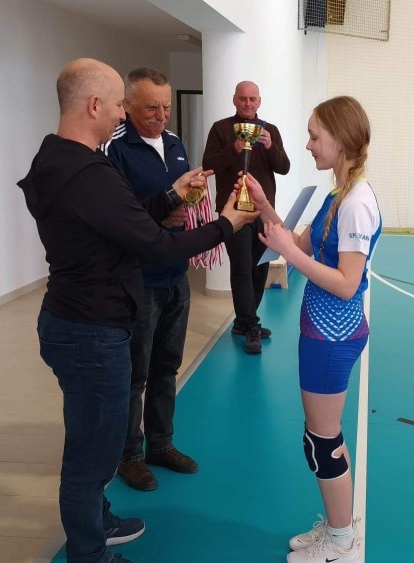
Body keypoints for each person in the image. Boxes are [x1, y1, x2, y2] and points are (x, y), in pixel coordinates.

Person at [17, 58, 257, 563]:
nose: (121, 114)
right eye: (118, 105)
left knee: (95, 440)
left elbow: (121, 223)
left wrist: (170, 196)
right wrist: (227, 224)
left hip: (73, 318)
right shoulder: (89, 172)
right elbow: (156, 244)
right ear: (95, 105)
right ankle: (89, 553)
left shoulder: (56, 157)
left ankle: (99, 519)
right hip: (90, 330)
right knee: (92, 455)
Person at [247, 95, 380, 563]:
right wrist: (265, 206)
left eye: (314, 136)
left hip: (334, 336)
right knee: (321, 436)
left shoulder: (356, 204)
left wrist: (290, 253)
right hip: (321, 332)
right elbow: (296, 242)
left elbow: (346, 284)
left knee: (322, 440)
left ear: (340, 140)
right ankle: (339, 526)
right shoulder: (336, 195)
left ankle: (341, 542)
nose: (307, 145)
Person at [102, 68, 199, 491]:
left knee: (167, 367)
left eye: (166, 107)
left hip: (176, 274)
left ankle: (161, 444)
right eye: (150, 108)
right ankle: (129, 455)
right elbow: (118, 217)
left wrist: (189, 198)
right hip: (138, 280)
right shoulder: (114, 149)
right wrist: (165, 207)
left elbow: (179, 198)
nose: (161, 115)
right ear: (127, 105)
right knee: (135, 374)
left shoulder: (174, 143)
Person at [203, 81, 291, 354]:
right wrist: (234, 148)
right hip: (234, 212)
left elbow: (284, 167)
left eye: (253, 99)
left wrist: (270, 146)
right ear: (234, 100)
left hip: (264, 212)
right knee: (242, 268)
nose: (248, 103)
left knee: (260, 268)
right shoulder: (221, 129)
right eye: (243, 98)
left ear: (259, 101)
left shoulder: (270, 130)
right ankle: (251, 325)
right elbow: (208, 166)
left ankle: (244, 322)